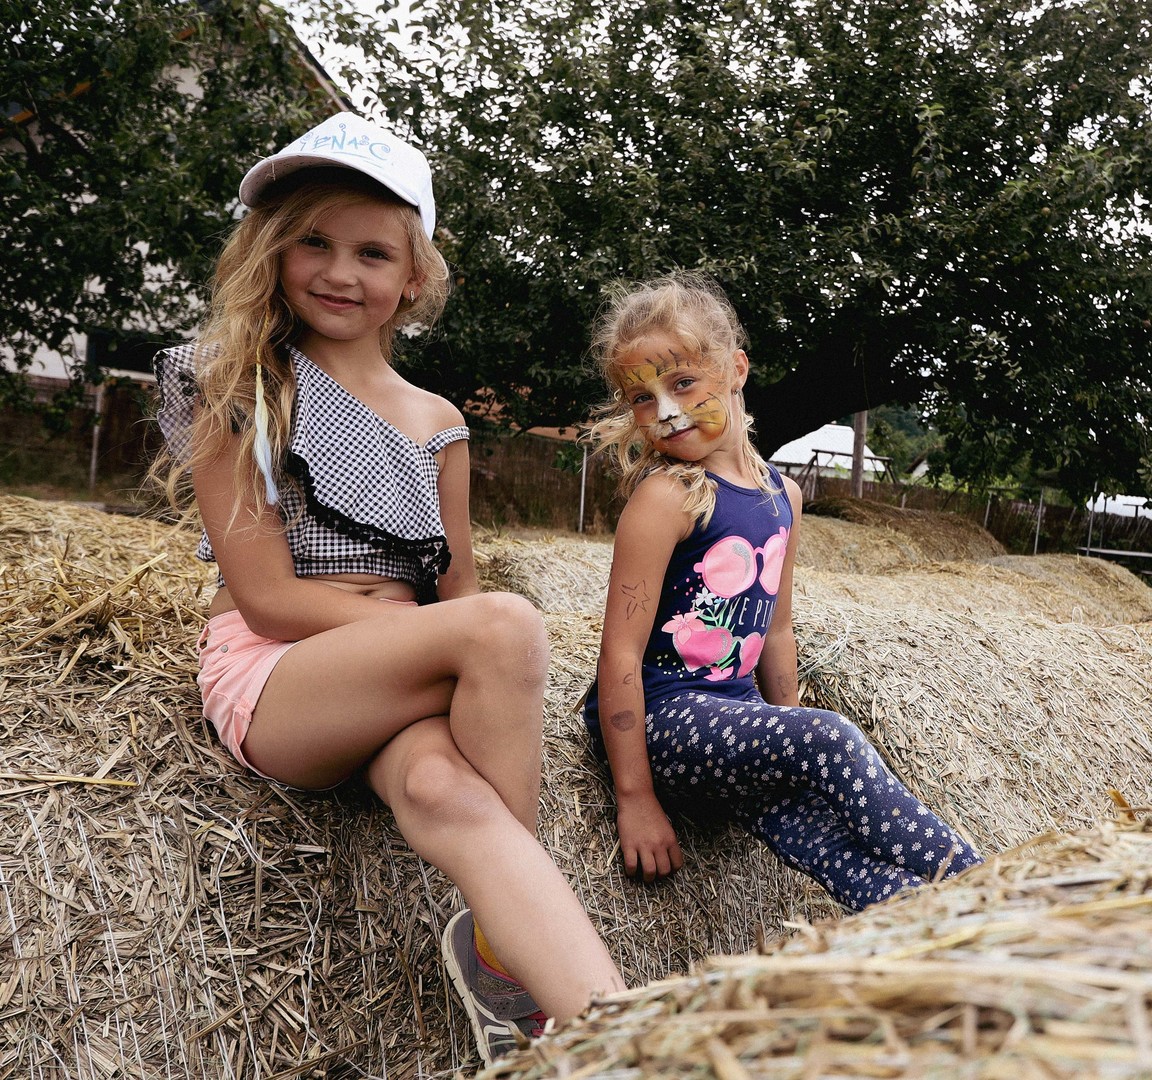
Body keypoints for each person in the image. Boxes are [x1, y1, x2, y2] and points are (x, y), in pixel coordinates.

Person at [150, 112, 624, 1066]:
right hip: (280, 674)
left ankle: (619, 1038)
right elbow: (268, 598)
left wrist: (441, 651)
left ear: (413, 278)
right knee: (507, 627)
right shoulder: (238, 384)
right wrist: (424, 636)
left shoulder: (438, 423)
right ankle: (523, 955)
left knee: (446, 792)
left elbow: (454, 584)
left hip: (393, 673)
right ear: (272, 251)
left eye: (372, 253)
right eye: (313, 243)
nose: (340, 272)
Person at [583, 271, 982, 911]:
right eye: (641, 398)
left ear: (735, 370)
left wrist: (786, 723)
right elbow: (620, 653)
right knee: (832, 738)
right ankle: (995, 885)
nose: (666, 411)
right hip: (663, 721)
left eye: (682, 383)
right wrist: (635, 797)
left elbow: (777, 630)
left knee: (839, 853)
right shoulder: (666, 497)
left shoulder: (782, 496)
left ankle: (959, 925)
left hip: (736, 724)